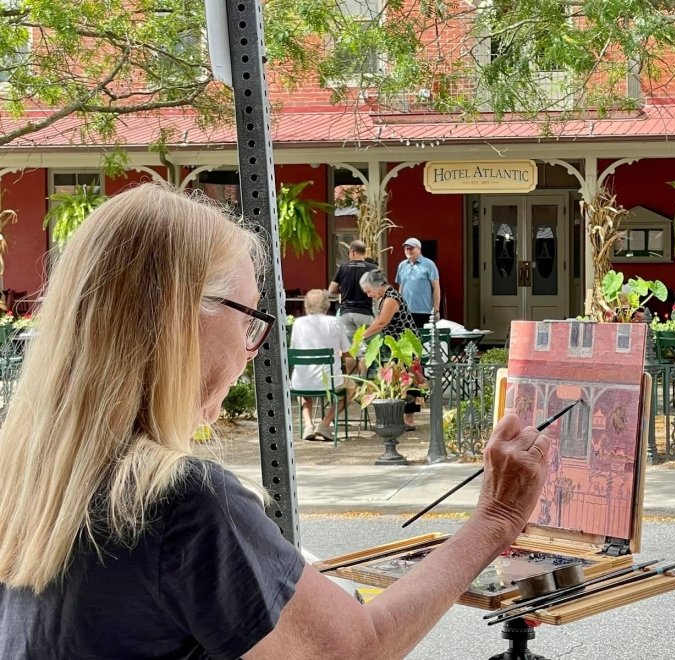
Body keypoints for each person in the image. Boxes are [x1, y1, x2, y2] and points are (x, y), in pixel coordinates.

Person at [0, 184, 550, 659]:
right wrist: (496, 518)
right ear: (180, 319)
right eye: (250, 319)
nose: (251, 353)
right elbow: (358, 648)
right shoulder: (176, 500)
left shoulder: (28, 475)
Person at [290, 288, 354, 441]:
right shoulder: (334, 322)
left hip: (302, 381)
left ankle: (308, 425)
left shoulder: (298, 323)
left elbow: (295, 350)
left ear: (306, 306)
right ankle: (324, 424)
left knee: (302, 390)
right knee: (351, 389)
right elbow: (347, 352)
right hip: (330, 381)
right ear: (327, 306)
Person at [360, 268, 421, 428]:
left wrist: (363, 335)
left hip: (405, 343)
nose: (368, 295)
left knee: (409, 380)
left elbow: (382, 322)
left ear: (378, 285)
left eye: (369, 291)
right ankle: (400, 417)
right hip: (395, 344)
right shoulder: (385, 297)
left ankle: (409, 420)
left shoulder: (391, 298)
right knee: (399, 379)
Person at [328, 239, 377, 343]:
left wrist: (343, 291)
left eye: (349, 252)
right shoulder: (372, 268)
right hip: (366, 313)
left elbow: (331, 290)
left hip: (346, 313)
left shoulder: (343, 267)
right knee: (369, 349)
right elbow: (379, 290)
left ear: (353, 252)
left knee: (350, 350)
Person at [395, 237, 440, 327]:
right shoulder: (402, 265)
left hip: (425, 311)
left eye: (411, 248)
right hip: (406, 311)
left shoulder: (429, 264)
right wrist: (399, 307)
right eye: (406, 249)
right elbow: (401, 287)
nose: (408, 251)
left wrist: (436, 309)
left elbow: (436, 288)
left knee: (423, 339)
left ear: (419, 249)